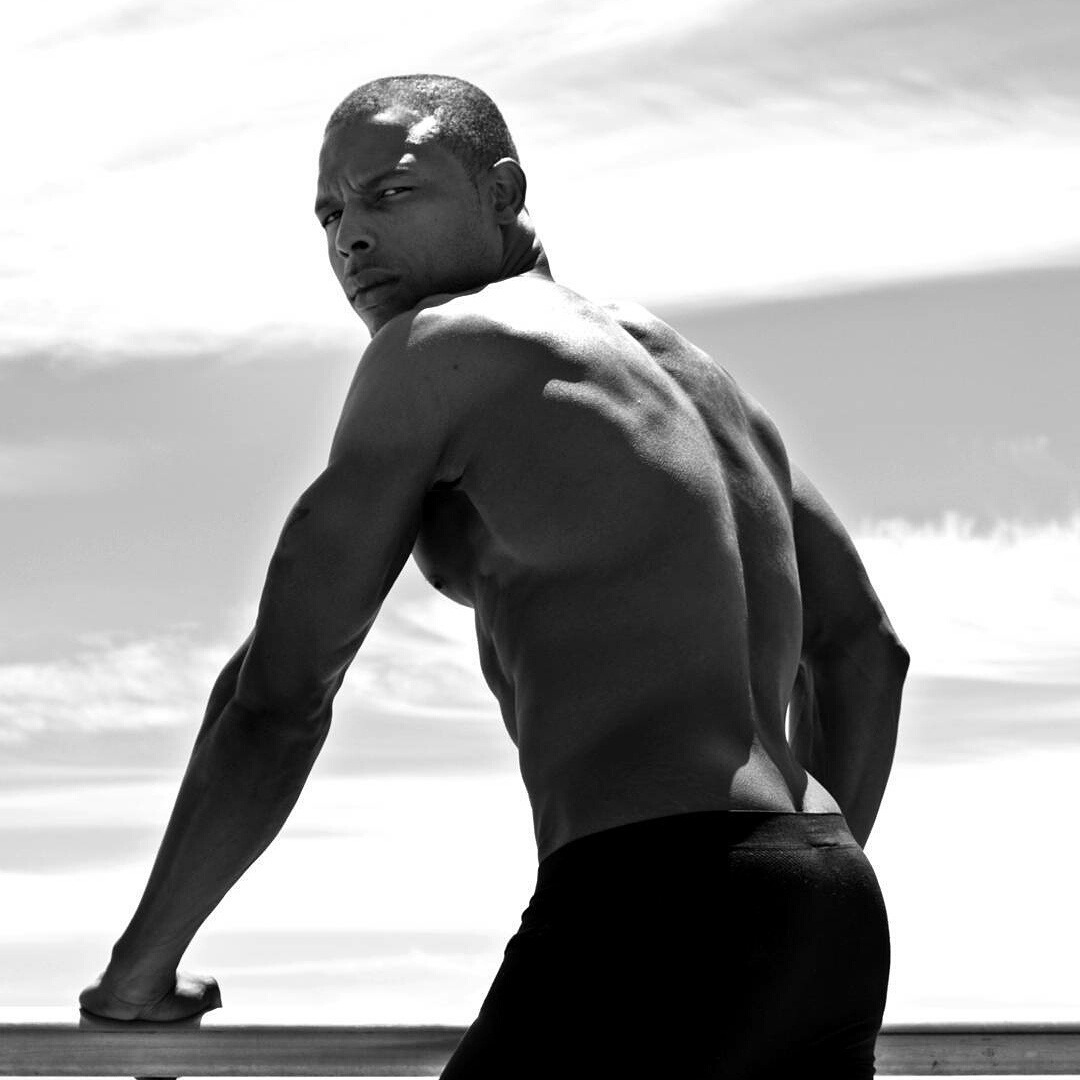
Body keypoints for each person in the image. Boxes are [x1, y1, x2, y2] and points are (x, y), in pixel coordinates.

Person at [79, 74, 910, 1078]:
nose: (351, 239)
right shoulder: (701, 382)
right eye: (330, 215)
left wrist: (139, 973)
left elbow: (280, 701)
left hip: (654, 897)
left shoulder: (440, 350)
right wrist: (780, 899)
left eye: (391, 193)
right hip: (828, 908)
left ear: (503, 192)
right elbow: (867, 653)